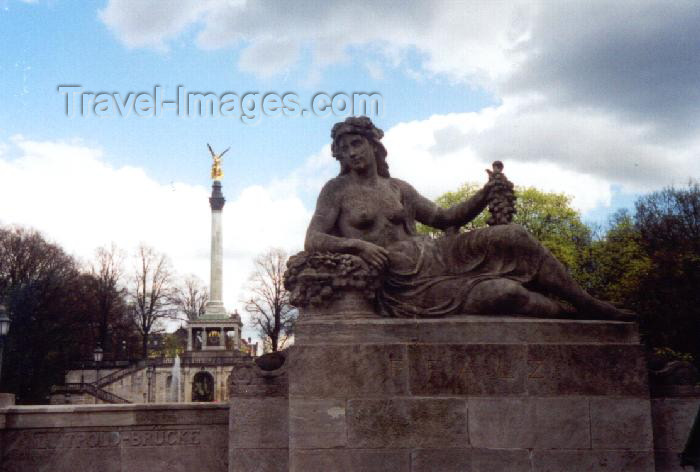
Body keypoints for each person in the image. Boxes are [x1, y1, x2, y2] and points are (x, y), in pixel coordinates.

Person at [304, 116, 633, 321]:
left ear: (374, 146)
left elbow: (444, 216)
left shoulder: (398, 187)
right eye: (343, 149)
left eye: (356, 144)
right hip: (404, 285)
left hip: (439, 255)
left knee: (513, 235)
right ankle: (569, 315)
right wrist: (358, 247)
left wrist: (485, 192)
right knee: (505, 294)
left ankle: (587, 303)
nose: (351, 153)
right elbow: (314, 239)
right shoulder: (336, 190)